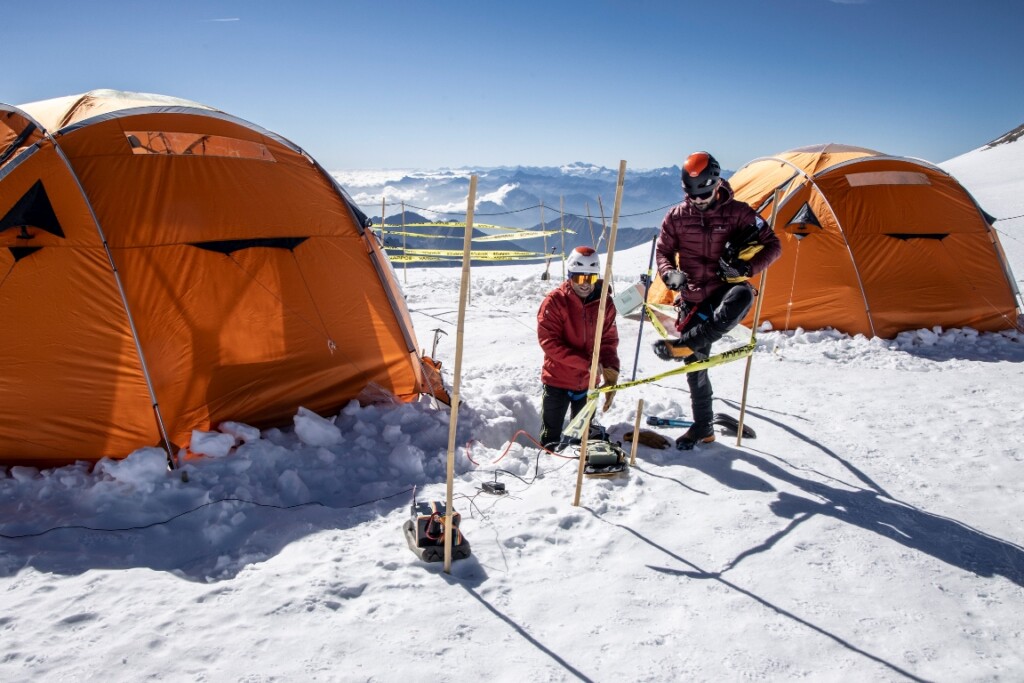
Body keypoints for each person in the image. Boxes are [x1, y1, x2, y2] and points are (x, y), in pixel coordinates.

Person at [652, 151, 781, 449]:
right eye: (691, 195)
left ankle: (690, 342)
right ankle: (703, 428)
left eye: (704, 194)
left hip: (725, 291)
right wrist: (669, 274)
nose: (697, 201)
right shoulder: (676, 217)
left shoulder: (740, 213)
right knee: (695, 369)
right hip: (693, 298)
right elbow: (663, 252)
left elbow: (773, 245)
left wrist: (746, 268)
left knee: (744, 293)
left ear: (716, 184)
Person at [537, 246, 620, 449]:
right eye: (579, 278)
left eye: (590, 279)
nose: (585, 285)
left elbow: (608, 340)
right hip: (557, 380)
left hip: (589, 383)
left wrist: (610, 368)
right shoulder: (555, 302)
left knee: (580, 440)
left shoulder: (605, 304)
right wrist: (586, 363)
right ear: (570, 276)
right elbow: (549, 343)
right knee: (551, 438)